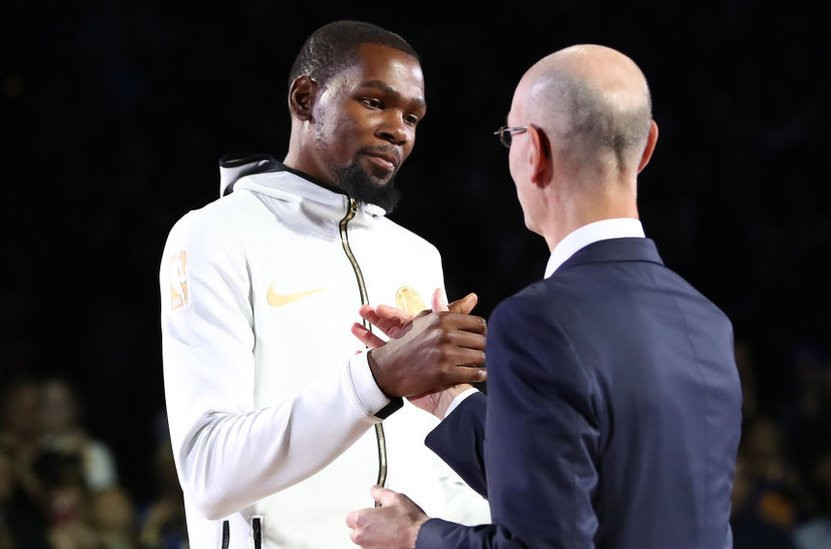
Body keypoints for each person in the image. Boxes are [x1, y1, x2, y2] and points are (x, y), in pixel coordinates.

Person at [346, 44, 743, 548]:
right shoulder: (707, 322)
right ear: (646, 149)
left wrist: (417, 537)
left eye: (509, 136)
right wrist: (446, 399)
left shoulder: (537, 321)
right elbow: (593, 488)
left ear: (534, 151)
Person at [158, 20, 489, 547]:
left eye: (412, 116)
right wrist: (377, 378)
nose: (398, 130)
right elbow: (208, 474)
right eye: (375, 102)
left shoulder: (417, 254)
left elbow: (436, 465)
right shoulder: (214, 234)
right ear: (306, 97)